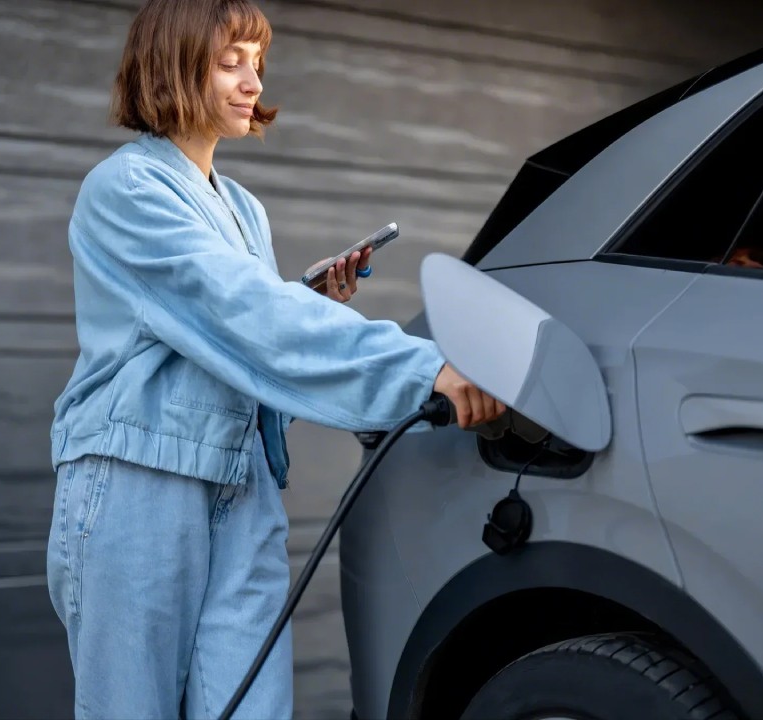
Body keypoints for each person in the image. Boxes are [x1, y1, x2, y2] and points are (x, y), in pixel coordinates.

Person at [44, 1, 506, 718]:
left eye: (257, 62)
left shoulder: (243, 208)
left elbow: (242, 322)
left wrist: (306, 295)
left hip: (244, 489)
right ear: (172, 64)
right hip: (142, 488)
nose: (252, 80)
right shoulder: (127, 189)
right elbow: (247, 317)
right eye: (230, 61)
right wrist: (423, 371)